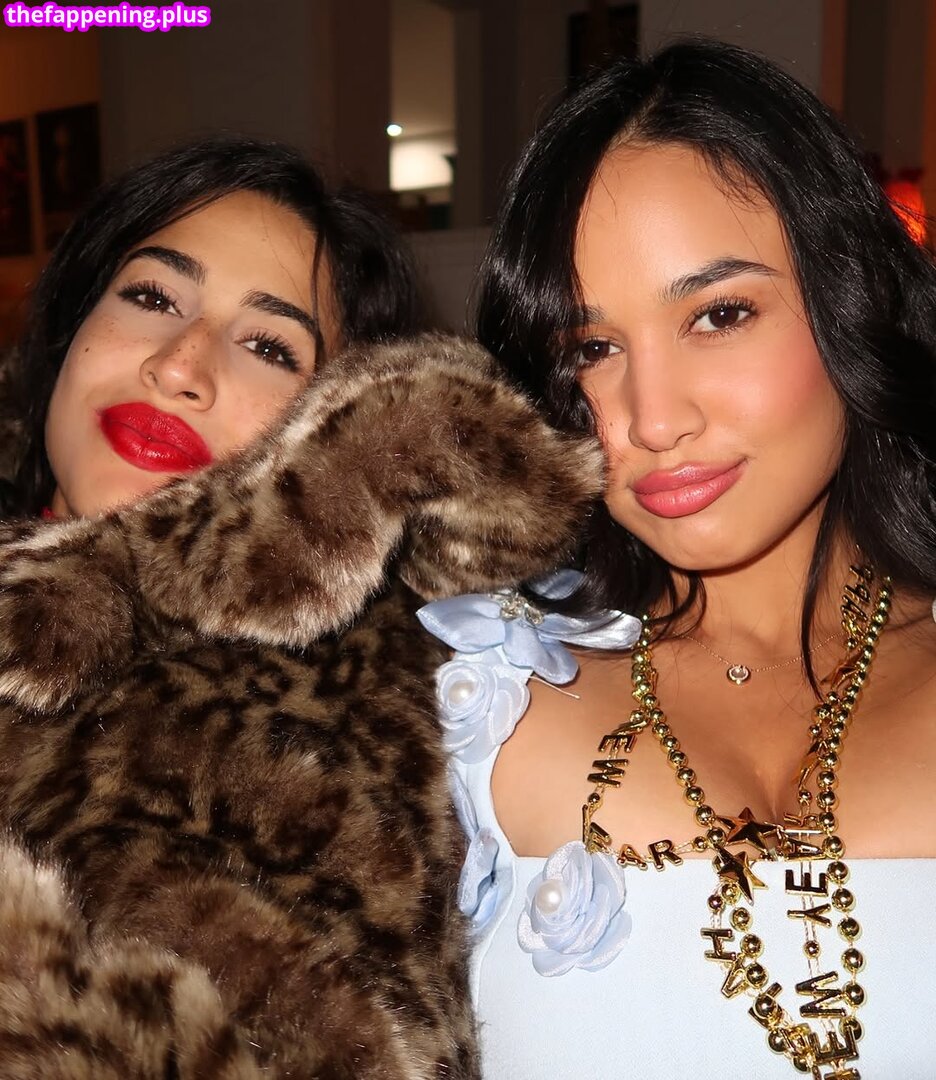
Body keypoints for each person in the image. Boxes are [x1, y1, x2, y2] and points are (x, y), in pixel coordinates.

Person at [0, 136, 602, 1077]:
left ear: (327, 413)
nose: (181, 365)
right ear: (72, 327)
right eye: (152, 297)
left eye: (267, 345)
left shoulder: (393, 685)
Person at [427, 38, 936, 1078]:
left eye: (719, 314)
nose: (652, 419)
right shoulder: (460, 712)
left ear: (850, 299)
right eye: (592, 349)